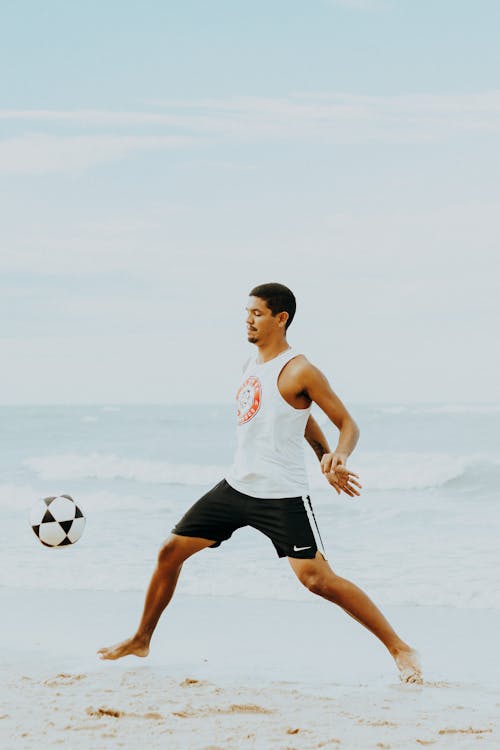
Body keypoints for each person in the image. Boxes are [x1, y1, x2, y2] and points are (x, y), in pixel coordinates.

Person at [98, 282, 422, 684]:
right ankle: (141, 638)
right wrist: (321, 453)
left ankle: (399, 647)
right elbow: (295, 418)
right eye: (246, 313)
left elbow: (348, 424)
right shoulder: (251, 364)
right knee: (169, 551)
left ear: (280, 318)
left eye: (257, 313)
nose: (248, 320)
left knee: (318, 580)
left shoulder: (300, 369)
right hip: (236, 488)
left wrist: (336, 455)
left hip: (280, 496)